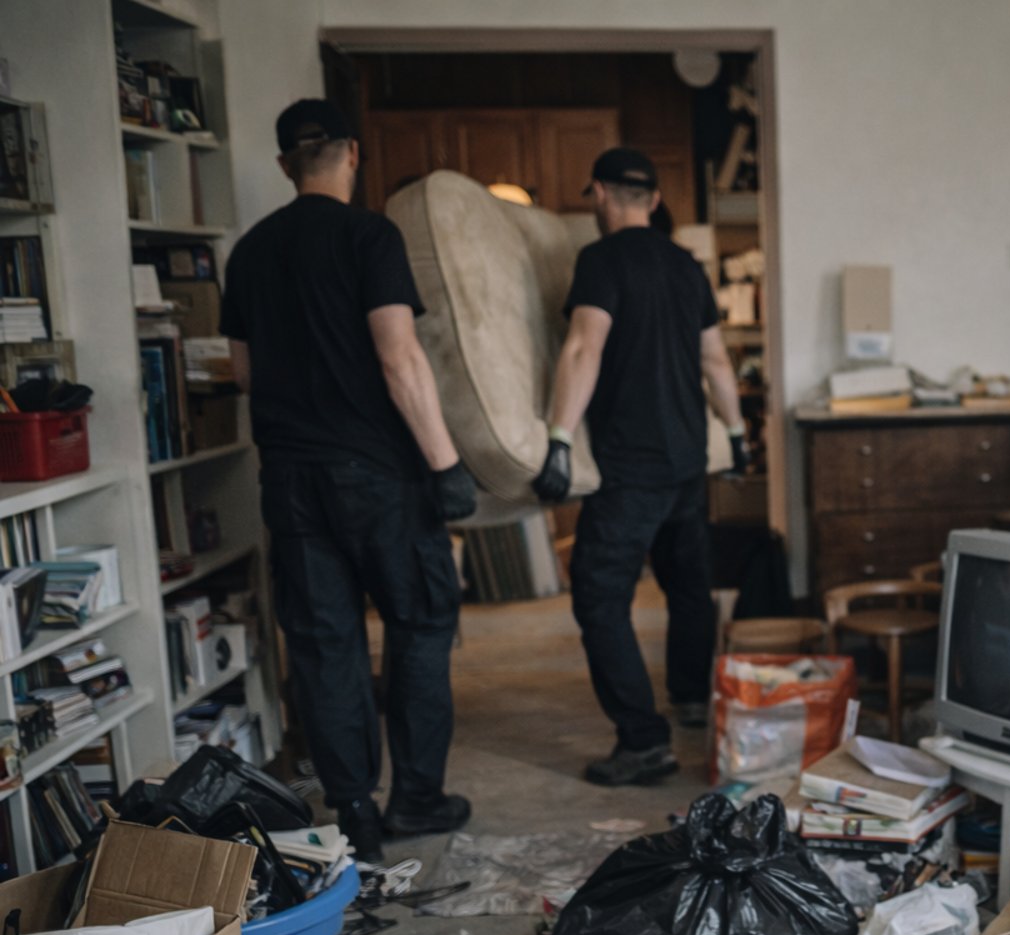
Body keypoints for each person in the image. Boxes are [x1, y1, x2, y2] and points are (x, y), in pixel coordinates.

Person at [220, 100, 477, 862]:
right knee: (421, 626)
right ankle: (419, 798)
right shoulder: (370, 235)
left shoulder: (250, 251)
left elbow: (242, 373)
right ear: (353, 155)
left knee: (325, 644)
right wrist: (446, 462)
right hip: (378, 476)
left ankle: (355, 811)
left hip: (290, 479)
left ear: (282, 165)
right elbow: (399, 358)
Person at [533, 148, 745, 786]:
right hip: (687, 460)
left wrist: (558, 437)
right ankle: (687, 697)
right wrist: (736, 434)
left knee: (599, 594)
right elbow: (715, 361)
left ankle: (643, 740)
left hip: (631, 462)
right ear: (653, 199)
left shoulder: (600, 260)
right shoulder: (686, 266)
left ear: (598, 194)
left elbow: (583, 346)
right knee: (687, 585)